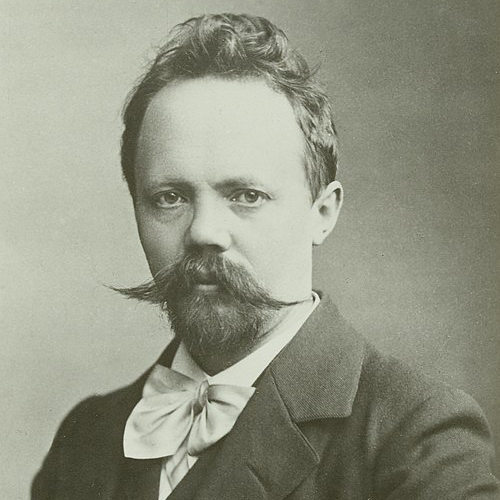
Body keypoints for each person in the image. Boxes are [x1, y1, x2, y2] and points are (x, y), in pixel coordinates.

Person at [31, 13, 499, 500]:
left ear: (322, 212)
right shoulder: (86, 437)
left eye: (246, 196)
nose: (204, 231)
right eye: (170, 198)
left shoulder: (415, 437)